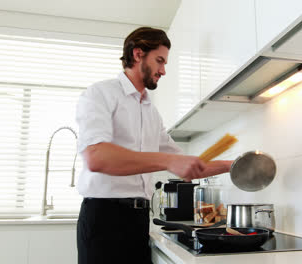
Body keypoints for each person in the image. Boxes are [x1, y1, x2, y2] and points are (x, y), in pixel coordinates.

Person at [75, 27, 233, 264]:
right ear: (138, 54)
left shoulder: (151, 112)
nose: (163, 70)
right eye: (159, 61)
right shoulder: (100, 93)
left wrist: (235, 165)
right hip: (103, 219)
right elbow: (96, 157)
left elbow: (189, 165)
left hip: (138, 220)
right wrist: (169, 161)